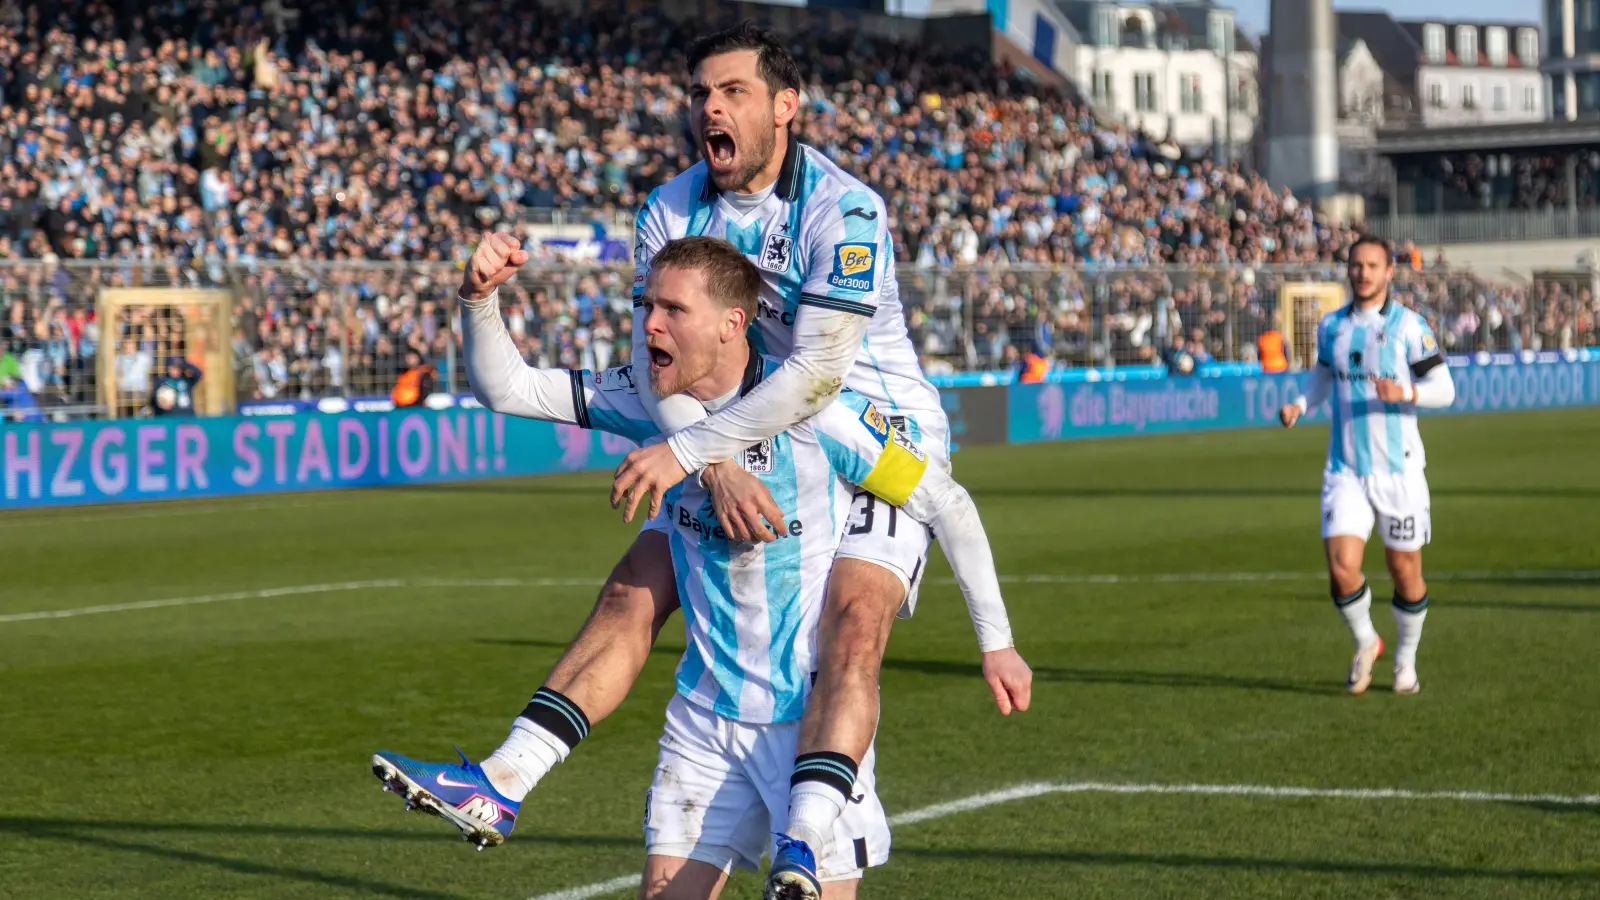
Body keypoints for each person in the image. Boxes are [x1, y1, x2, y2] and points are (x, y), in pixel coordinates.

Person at [373, 235, 1028, 900]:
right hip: (703, 719)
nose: (648, 324)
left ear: (731, 324)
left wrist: (996, 644)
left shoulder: (818, 415)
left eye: (672, 311)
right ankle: (502, 780)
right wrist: (478, 299)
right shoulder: (642, 397)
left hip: (811, 727)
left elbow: (946, 503)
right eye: (645, 304)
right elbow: (508, 388)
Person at [599, 25, 1030, 896]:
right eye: (699, 94)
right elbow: (663, 356)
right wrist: (710, 465)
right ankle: (520, 770)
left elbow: (819, 374)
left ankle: (805, 844)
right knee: (644, 580)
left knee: (853, 624)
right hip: (749, 435)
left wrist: (997, 639)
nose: (709, 107)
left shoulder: (846, 206)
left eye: (732, 91)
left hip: (876, 437)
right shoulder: (669, 211)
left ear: (786, 108)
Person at [1278, 235, 1456, 695]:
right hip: (1345, 469)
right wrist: (1301, 403)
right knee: (1340, 567)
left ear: (1389, 271)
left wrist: (1407, 392)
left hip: (1399, 471)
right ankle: (1366, 640)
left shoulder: (1409, 326)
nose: (1362, 273)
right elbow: (1323, 374)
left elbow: (1446, 389)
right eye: (1356, 265)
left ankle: (1405, 660)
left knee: (1405, 572)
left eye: (1372, 266)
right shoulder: (1331, 326)